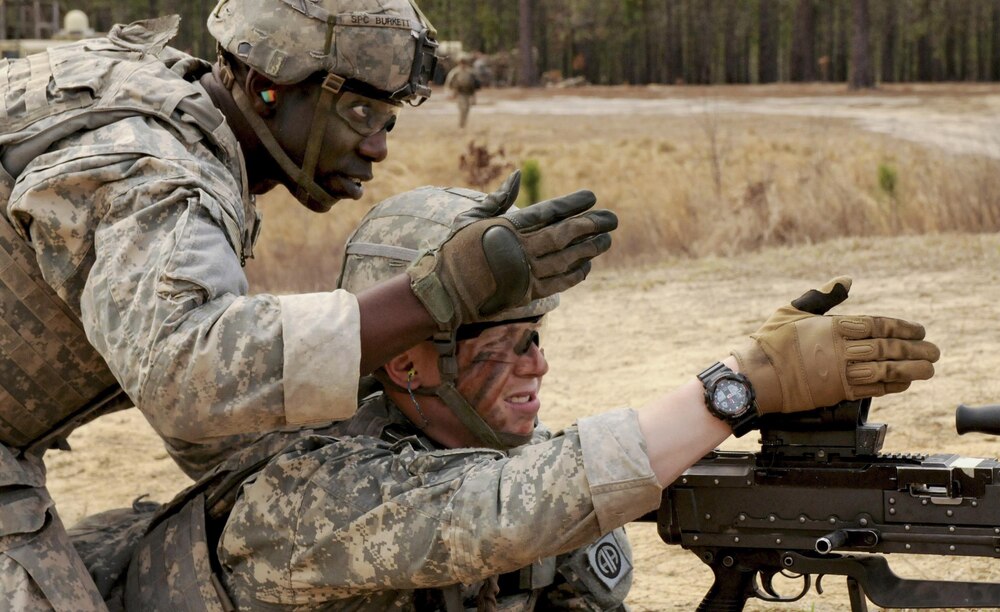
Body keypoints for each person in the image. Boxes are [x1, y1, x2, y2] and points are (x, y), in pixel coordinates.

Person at [0, 0, 617, 608]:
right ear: (267, 87)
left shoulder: (172, 121)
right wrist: (436, 295)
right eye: (357, 111)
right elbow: (184, 376)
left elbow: (215, 428)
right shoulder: (149, 171)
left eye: (388, 120)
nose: (377, 148)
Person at [95, 185, 939, 610]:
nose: (534, 366)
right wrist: (741, 386)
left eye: (535, 338)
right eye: (498, 347)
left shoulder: (492, 460)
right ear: (408, 365)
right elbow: (501, 510)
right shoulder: (309, 488)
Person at [446, 55, 481, 128]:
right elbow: (449, 83)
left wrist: (474, 96)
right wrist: (451, 93)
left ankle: (463, 123)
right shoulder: (455, 72)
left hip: (468, 92)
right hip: (460, 92)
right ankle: (461, 124)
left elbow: (474, 84)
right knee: (462, 108)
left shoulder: (470, 72)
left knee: (467, 108)